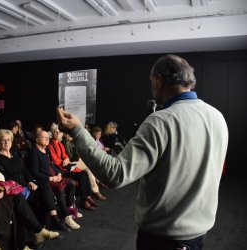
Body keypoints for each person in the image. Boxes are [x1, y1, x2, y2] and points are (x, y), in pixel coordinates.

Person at [56, 54, 229, 250]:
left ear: (159, 80)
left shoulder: (162, 121)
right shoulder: (217, 117)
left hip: (164, 240)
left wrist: (78, 131)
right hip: (198, 235)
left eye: (151, 81)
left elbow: (115, 175)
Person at [0, 129, 79, 231]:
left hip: (25, 184)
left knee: (45, 190)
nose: (6, 142)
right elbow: (4, 176)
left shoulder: (14, 154)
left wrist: (30, 182)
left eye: (8, 140)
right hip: (15, 189)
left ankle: (50, 222)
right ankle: (51, 222)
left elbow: (24, 170)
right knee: (46, 188)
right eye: (3, 140)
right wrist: (30, 182)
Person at [48, 126, 97, 210]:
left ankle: (85, 198)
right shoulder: (50, 144)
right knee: (81, 175)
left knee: (84, 173)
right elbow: (55, 161)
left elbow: (65, 155)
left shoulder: (60, 143)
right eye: (56, 132)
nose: (58, 133)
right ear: (52, 133)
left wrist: (66, 159)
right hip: (60, 170)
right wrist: (64, 162)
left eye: (60, 132)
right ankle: (84, 201)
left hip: (66, 167)